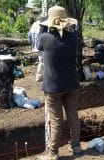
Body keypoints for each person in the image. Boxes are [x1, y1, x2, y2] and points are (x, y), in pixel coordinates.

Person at [37, 6, 81, 160]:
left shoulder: (46, 39)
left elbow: (38, 45)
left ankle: (53, 153)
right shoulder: (74, 39)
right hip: (72, 85)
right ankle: (76, 146)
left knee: (56, 120)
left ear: (51, 23)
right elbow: (71, 32)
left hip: (53, 88)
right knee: (72, 116)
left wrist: (43, 25)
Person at [28, 16, 47, 82]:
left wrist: (32, 45)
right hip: (41, 47)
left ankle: (40, 76)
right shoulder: (44, 26)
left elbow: (29, 37)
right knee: (42, 61)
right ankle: (39, 77)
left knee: (41, 60)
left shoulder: (34, 24)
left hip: (35, 47)